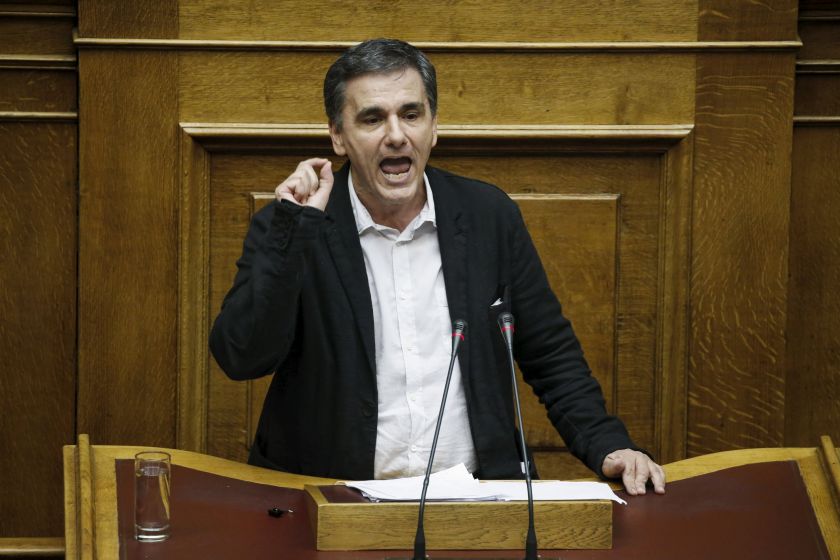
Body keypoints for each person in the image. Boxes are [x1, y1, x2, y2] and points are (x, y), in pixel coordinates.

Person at [209, 38, 665, 496]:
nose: (396, 135)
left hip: (476, 498)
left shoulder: (488, 216)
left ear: (433, 127)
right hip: (332, 500)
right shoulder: (293, 227)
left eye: (411, 114)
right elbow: (242, 356)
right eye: (372, 118)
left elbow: (550, 353)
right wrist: (293, 233)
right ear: (338, 137)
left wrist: (607, 444)